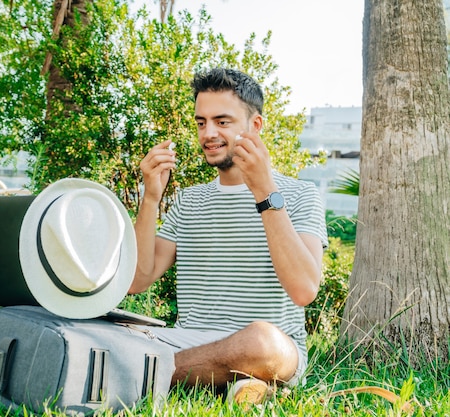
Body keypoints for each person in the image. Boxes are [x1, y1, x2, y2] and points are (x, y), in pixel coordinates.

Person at [129, 68, 328, 405]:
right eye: (201, 122)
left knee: (263, 343)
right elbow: (137, 281)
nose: (208, 133)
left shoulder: (298, 195)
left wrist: (264, 191)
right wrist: (150, 199)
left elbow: (304, 289)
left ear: (255, 127)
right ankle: (237, 383)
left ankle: (143, 372)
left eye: (222, 122)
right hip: (188, 343)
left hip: (266, 347)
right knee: (111, 327)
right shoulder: (189, 200)